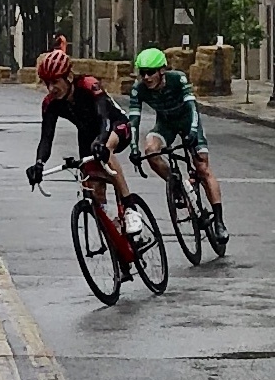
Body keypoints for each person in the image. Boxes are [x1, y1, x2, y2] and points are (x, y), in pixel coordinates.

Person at [25, 49, 143, 238]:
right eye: (47, 83)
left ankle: (130, 208)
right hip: (88, 136)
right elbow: (46, 137)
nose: (51, 88)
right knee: (92, 187)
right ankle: (113, 228)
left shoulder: (88, 85)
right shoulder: (51, 103)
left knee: (106, 149)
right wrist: (39, 164)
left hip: (115, 125)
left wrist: (102, 140)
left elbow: (104, 116)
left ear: (69, 77)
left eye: (55, 81)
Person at [128, 48, 229, 245]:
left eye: (151, 72)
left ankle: (219, 221)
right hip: (165, 124)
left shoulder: (177, 78)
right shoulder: (138, 89)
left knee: (202, 168)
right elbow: (133, 121)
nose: (146, 77)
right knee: (150, 151)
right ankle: (178, 186)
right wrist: (133, 149)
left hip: (188, 121)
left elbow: (192, 108)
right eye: (143, 73)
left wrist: (192, 131)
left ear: (162, 70)